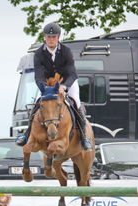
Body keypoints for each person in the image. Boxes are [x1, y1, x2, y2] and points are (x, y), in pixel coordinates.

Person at [15, 22, 93, 151]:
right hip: (48, 85)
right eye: (48, 37)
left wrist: (64, 87)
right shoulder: (39, 53)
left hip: (67, 82)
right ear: (44, 38)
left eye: (54, 37)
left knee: (76, 103)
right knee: (38, 103)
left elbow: (72, 73)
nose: (51, 39)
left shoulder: (66, 51)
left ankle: (84, 137)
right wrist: (43, 87)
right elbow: (39, 75)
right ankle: (26, 134)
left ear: (58, 38)